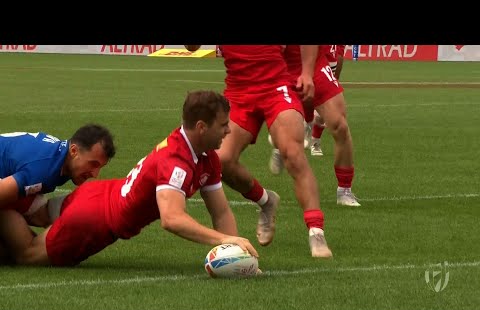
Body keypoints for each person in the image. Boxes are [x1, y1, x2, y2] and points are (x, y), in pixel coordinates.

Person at [0, 90, 259, 266]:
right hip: (94, 219)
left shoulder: (205, 156)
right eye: (224, 124)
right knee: (27, 253)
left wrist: (237, 257)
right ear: (202, 127)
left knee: (32, 211)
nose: (229, 130)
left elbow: (221, 213)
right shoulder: (175, 161)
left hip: (98, 195)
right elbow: (172, 219)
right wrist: (225, 240)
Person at [214, 45, 332, 258]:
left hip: (276, 88)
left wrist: (306, 72)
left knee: (293, 154)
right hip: (238, 92)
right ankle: (266, 201)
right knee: (220, 160)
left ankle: (316, 231)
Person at [268, 45, 360, 207]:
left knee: (340, 126)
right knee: (285, 126)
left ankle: (344, 190)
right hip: (281, 68)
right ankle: (279, 145)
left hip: (316, 65)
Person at [0, 124, 117, 226]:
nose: (95, 174)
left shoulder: (63, 159)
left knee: (43, 217)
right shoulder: (44, 169)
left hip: (12, 176)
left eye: (100, 167)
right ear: (74, 151)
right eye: (93, 164)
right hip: (7, 180)